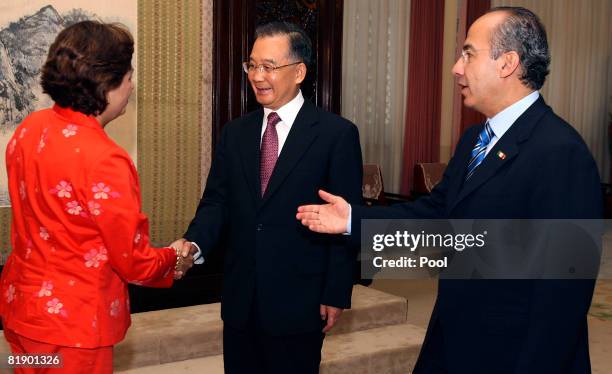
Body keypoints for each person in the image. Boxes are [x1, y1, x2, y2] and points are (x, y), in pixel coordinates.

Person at [297, 7, 602, 373]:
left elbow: (563, 297)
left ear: (507, 63)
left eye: (468, 54)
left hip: (512, 355)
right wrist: (352, 220)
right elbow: (435, 217)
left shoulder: (560, 151)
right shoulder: (476, 138)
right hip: (455, 339)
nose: (457, 68)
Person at [0, 21, 194, 373]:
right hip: (73, 329)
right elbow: (132, 260)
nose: (132, 85)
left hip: (22, 313)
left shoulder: (31, 127)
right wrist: (173, 259)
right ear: (107, 86)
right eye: (128, 76)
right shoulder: (106, 159)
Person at [172, 21, 363, 374]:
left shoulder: (336, 135)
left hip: (300, 298)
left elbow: (347, 220)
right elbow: (217, 200)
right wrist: (195, 243)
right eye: (252, 65)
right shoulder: (235, 133)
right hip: (240, 297)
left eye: (269, 67)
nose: (258, 76)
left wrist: (336, 291)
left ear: (299, 72)